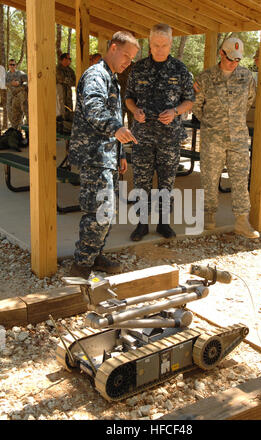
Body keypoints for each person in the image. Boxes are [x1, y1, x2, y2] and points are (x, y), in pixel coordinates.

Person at [68, 31, 140, 279]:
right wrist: (117, 129)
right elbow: (94, 109)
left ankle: (95, 254)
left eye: (132, 59)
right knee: (99, 211)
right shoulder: (96, 75)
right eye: (126, 56)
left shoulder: (112, 78)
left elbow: (114, 115)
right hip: (93, 155)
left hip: (107, 155)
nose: (128, 62)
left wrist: (120, 152)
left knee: (106, 211)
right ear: (112, 47)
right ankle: (81, 266)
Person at [125, 23, 195, 241]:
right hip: (143, 136)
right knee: (141, 181)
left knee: (167, 181)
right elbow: (128, 97)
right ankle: (141, 225)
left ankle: (164, 223)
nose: (160, 49)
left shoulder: (180, 69)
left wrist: (175, 111)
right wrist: (135, 110)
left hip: (169, 137)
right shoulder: (138, 69)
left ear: (171, 43)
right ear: (150, 42)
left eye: (164, 45)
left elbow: (190, 99)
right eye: (156, 45)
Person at [193, 37, 259, 239]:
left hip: (238, 137)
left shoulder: (246, 77)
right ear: (221, 53)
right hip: (212, 137)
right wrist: (212, 123)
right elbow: (196, 106)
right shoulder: (205, 78)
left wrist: (233, 121)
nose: (234, 62)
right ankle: (209, 216)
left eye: (238, 59)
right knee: (210, 177)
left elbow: (249, 101)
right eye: (231, 58)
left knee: (240, 178)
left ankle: (242, 221)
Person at [5, 59, 28, 129]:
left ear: (16, 65)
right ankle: (14, 128)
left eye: (13, 65)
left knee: (21, 111)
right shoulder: (6, 75)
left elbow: (27, 81)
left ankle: (21, 127)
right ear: (8, 65)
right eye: (10, 65)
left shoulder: (20, 73)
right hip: (10, 96)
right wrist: (10, 83)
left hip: (19, 96)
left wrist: (20, 84)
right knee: (9, 112)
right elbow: (3, 83)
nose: (12, 66)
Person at [56, 53, 76, 121]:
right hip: (60, 96)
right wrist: (68, 81)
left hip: (69, 96)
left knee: (69, 112)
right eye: (69, 59)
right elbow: (61, 79)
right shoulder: (57, 69)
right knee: (60, 112)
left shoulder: (70, 70)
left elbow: (74, 81)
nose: (70, 61)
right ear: (64, 59)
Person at [118, 62, 134, 129]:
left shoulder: (135, 67)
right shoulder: (119, 65)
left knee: (131, 121)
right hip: (121, 96)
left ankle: (131, 138)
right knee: (119, 121)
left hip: (131, 98)